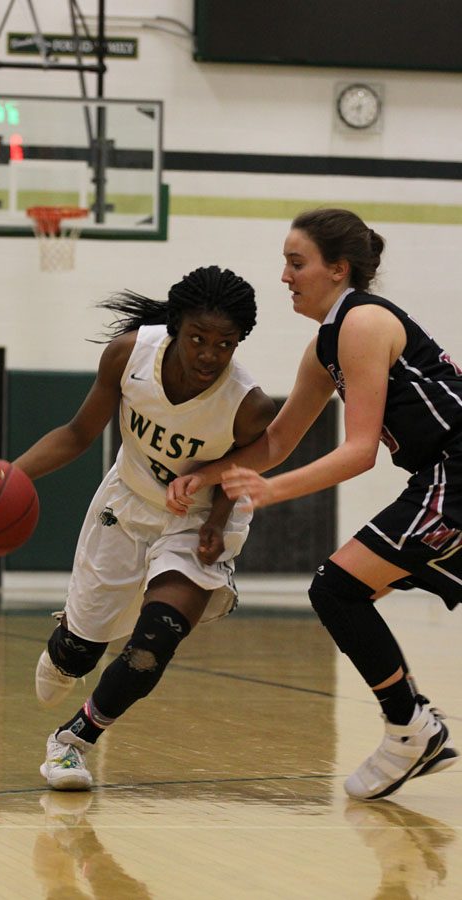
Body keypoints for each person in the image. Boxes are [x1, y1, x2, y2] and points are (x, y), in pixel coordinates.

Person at [166, 208, 462, 801]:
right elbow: (276, 440)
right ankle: (411, 725)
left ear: (338, 269)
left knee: (336, 587)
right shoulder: (326, 345)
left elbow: (359, 452)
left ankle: (408, 727)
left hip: (454, 474)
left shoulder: (363, 322)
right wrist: (207, 474)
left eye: (296, 263)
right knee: (345, 590)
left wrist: (271, 491)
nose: (284, 276)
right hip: (440, 479)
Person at [13, 265, 276, 790]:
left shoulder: (248, 404)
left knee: (155, 641)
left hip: (196, 519)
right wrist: (10, 477)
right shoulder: (129, 355)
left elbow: (246, 465)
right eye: (198, 338)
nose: (208, 354)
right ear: (176, 327)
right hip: (129, 501)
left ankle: (70, 744)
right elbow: (77, 433)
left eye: (224, 344)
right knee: (77, 655)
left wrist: (218, 520)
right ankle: (68, 645)